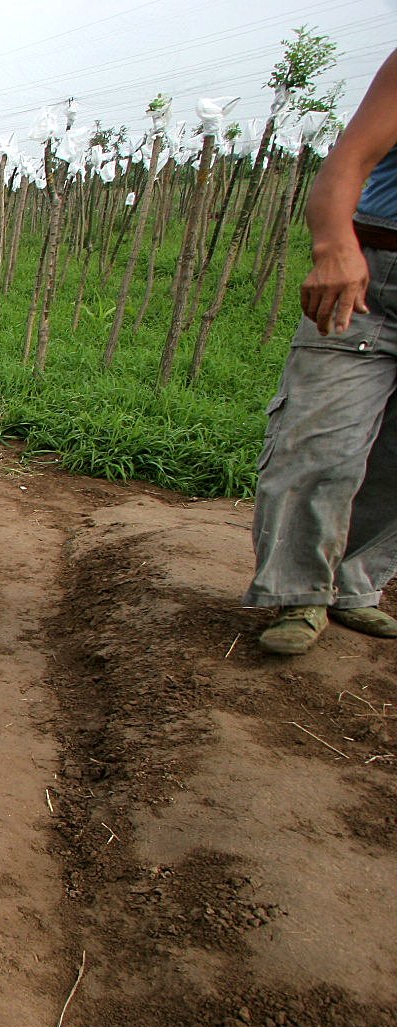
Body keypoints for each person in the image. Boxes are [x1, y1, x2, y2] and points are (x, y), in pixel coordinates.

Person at [248, 48, 397, 656]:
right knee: (319, 438)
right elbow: (350, 158)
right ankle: (297, 590)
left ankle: (352, 584)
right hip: (371, 272)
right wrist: (335, 242)